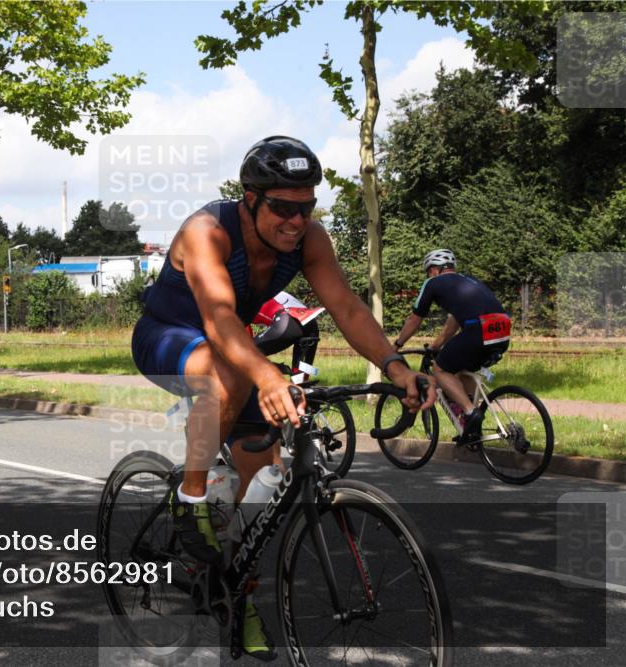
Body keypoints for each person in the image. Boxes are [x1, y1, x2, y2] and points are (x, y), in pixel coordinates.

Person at [131, 136, 435, 660]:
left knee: (257, 495)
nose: (296, 220)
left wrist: (395, 366)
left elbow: (346, 306)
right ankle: (190, 498)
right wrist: (268, 377)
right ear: (249, 197)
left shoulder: (309, 239)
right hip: (169, 336)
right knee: (233, 379)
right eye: (283, 207)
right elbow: (220, 318)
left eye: (307, 206)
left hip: (232, 347)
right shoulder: (207, 232)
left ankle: (235, 596)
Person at [393, 249, 511, 442]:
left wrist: (397, 344)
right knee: (464, 369)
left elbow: (415, 319)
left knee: (440, 369)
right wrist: (436, 345)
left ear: (433, 270)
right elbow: (453, 322)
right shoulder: (469, 280)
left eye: (429, 272)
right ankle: (472, 428)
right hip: (502, 330)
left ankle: (470, 411)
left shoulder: (432, 283)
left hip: (477, 331)